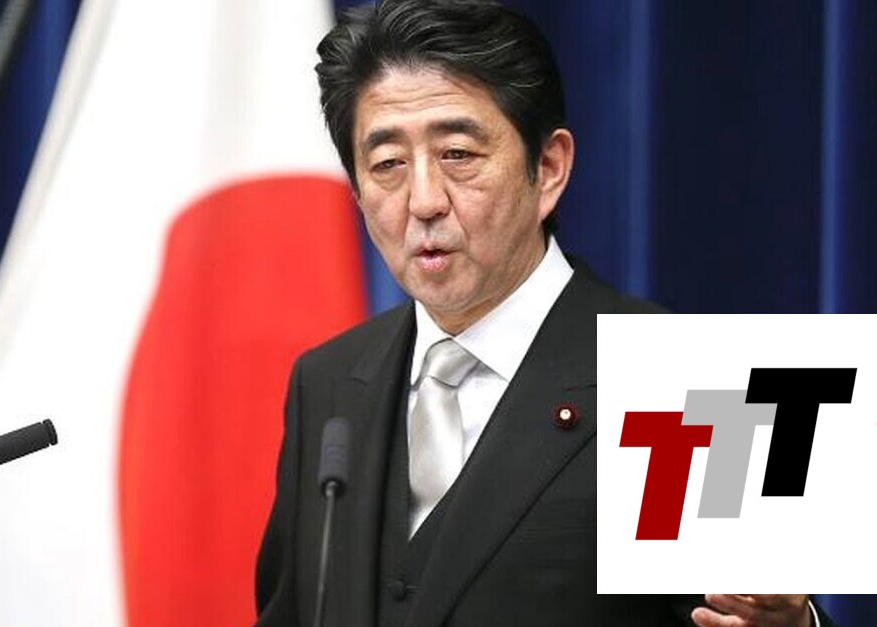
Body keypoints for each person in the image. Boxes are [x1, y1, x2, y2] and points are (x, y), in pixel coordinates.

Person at [255, 1, 828, 625]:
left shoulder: (692, 383)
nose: (423, 201)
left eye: (458, 154)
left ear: (548, 168)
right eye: (388, 164)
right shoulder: (329, 382)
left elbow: (756, 612)